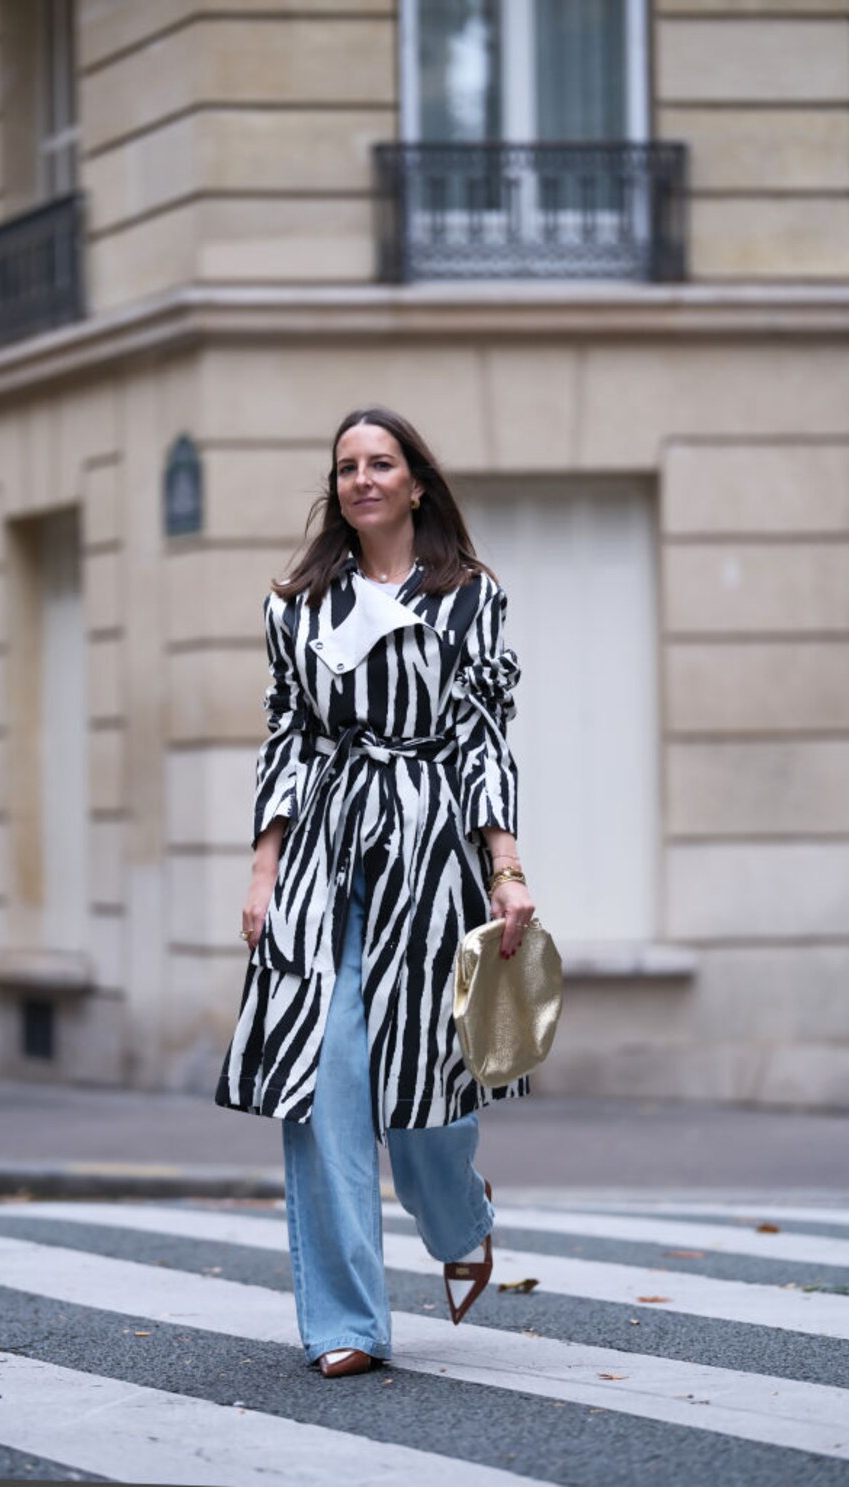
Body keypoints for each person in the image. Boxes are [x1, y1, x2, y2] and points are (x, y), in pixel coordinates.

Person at [214, 406, 535, 1377]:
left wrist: (506, 865)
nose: (361, 478)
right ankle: (346, 1321)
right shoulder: (297, 603)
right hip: (322, 860)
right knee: (323, 1081)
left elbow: (482, 734)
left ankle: (459, 1214)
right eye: (346, 465)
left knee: (430, 1092)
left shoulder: (468, 596)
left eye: (380, 463)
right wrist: (264, 868)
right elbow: (288, 735)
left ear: (414, 482)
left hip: (429, 856)